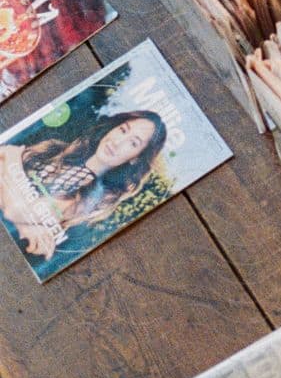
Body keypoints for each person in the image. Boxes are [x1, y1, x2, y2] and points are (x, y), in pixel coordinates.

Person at [0, 106, 167, 262]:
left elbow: (13, 211)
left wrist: (10, 166)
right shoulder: (56, 148)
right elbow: (4, 152)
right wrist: (29, 227)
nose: (117, 142)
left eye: (133, 143)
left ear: (136, 157)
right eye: (123, 130)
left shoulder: (93, 199)